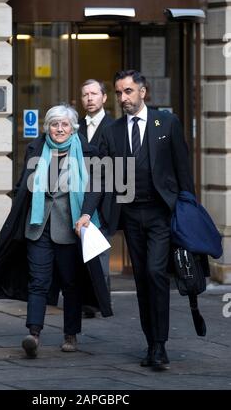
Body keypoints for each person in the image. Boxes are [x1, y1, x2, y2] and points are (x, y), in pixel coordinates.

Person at [76, 70, 195, 370]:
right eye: (118, 93)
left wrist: (189, 209)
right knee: (142, 278)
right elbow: (100, 175)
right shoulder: (113, 131)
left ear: (143, 92)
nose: (123, 98)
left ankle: (161, 343)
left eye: (128, 91)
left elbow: (183, 170)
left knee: (156, 273)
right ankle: (152, 343)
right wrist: (88, 211)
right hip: (130, 215)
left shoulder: (165, 123)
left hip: (160, 214)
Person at [0, 104, 112, 358]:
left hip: (70, 228)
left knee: (71, 285)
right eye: (54, 124)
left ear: (73, 128)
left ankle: (70, 334)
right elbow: (23, 184)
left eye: (65, 124)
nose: (59, 129)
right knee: (37, 282)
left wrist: (85, 214)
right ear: (47, 127)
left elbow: (96, 185)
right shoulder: (36, 148)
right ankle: (33, 334)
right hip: (37, 227)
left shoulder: (87, 151)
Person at [79, 79, 114, 318]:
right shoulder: (75, 126)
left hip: (106, 198)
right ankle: (86, 301)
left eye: (94, 93)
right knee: (81, 249)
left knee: (100, 251)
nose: (90, 98)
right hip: (79, 196)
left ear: (104, 98)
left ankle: (102, 300)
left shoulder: (115, 126)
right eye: (85, 95)